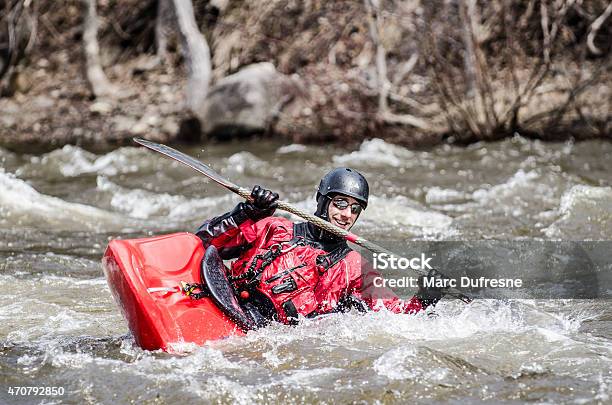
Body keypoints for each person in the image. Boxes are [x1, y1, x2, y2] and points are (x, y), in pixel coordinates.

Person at [196, 167, 444, 325]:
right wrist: (247, 212)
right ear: (322, 202)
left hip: (263, 333)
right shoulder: (275, 227)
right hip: (222, 302)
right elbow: (207, 241)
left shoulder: (355, 268)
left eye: (355, 209)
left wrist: (426, 297)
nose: (347, 214)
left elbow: (394, 318)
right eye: (340, 203)